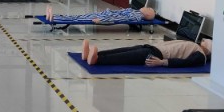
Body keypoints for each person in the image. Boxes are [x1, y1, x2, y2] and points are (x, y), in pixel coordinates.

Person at [81, 38, 212, 68]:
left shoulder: (200, 55)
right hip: (153, 47)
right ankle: (93, 54)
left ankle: (97, 60)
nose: (202, 42)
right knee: (123, 50)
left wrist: (162, 63)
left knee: (124, 57)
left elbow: (186, 63)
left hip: (157, 55)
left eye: (205, 43)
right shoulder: (195, 45)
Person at [46, 5, 156, 24]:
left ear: (147, 14)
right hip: (105, 14)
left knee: (79, 19)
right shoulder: (136, 12)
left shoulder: (137, 16)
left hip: (104, 17)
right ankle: (55, 16)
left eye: (148, 8)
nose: (146, 6)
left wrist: (102, 21)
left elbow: (119, 19)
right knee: (79, 17)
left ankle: (54, 18)